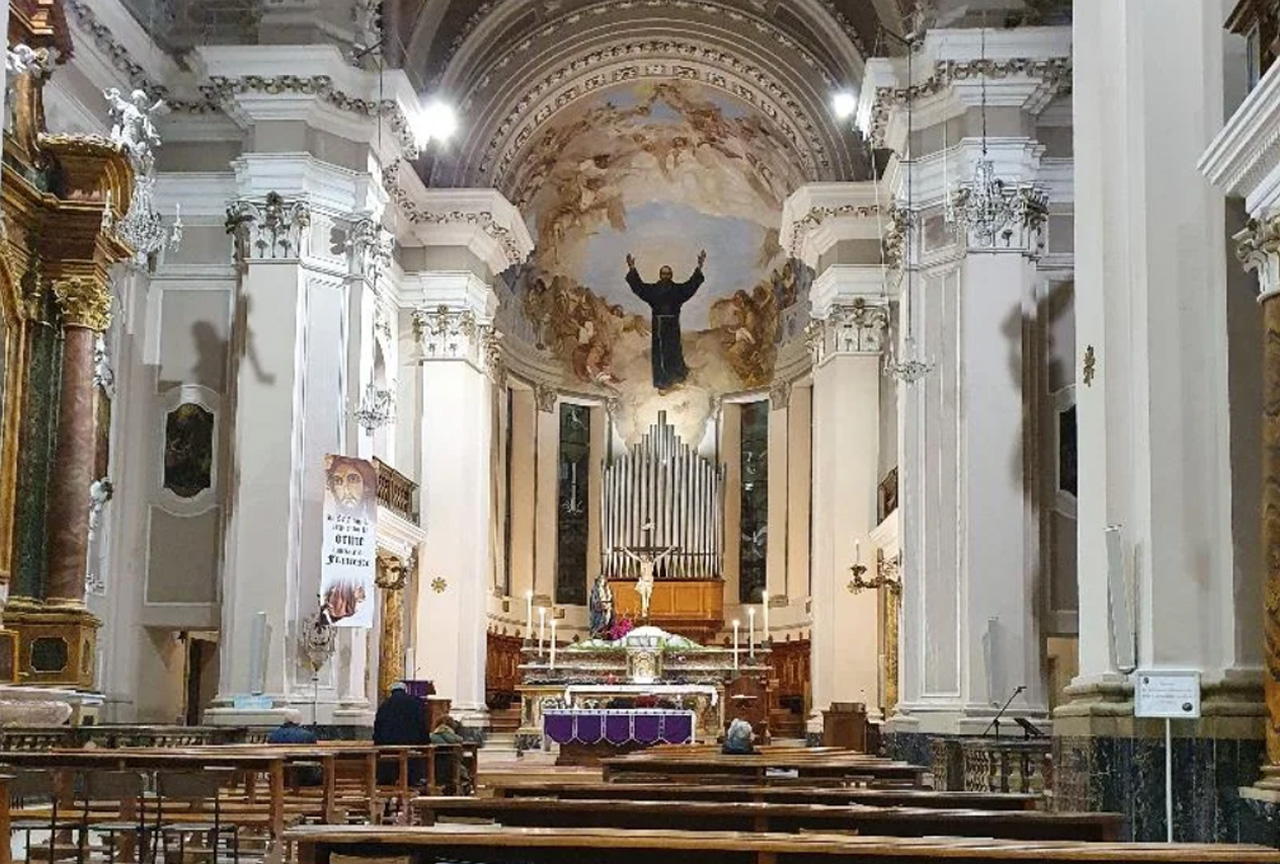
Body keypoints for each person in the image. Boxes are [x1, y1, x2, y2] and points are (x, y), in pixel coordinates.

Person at [625, 250, 707, 390]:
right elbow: (639, 287)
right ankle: (663, 381)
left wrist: (699, 267)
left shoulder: (677, 290)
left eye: (668, 274)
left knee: (674, 349)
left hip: (673, 324)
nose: (665, 276)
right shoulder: (653, 290)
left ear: (671, 276)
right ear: (660, 275)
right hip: (659, 324)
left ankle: (677, 376)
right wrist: (632, 269)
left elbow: (691, 285)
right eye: (663, 274)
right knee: (661, 352)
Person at [373, 681, 428, 786]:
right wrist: (424, 742)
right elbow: (421, 723)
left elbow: (378, 727)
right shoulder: (415, 703)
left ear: (392, 691)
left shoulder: (384, 705)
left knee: (389, 770)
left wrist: (378, 743)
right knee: (411, 769)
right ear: (405, 690)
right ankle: (412, 783)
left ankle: (388, 786)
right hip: (411, 744)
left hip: (389, 746)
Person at [267, 710, 322, 786]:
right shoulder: (307, 735)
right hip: (305, 776)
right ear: (298, 721)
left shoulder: (273, 736)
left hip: (281, 775)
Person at [429, 716, 472, 794]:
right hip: (452, 766)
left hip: (434, 766)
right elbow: (460, 740)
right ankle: (465, 783)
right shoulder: (452, 736)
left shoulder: (432, 736)